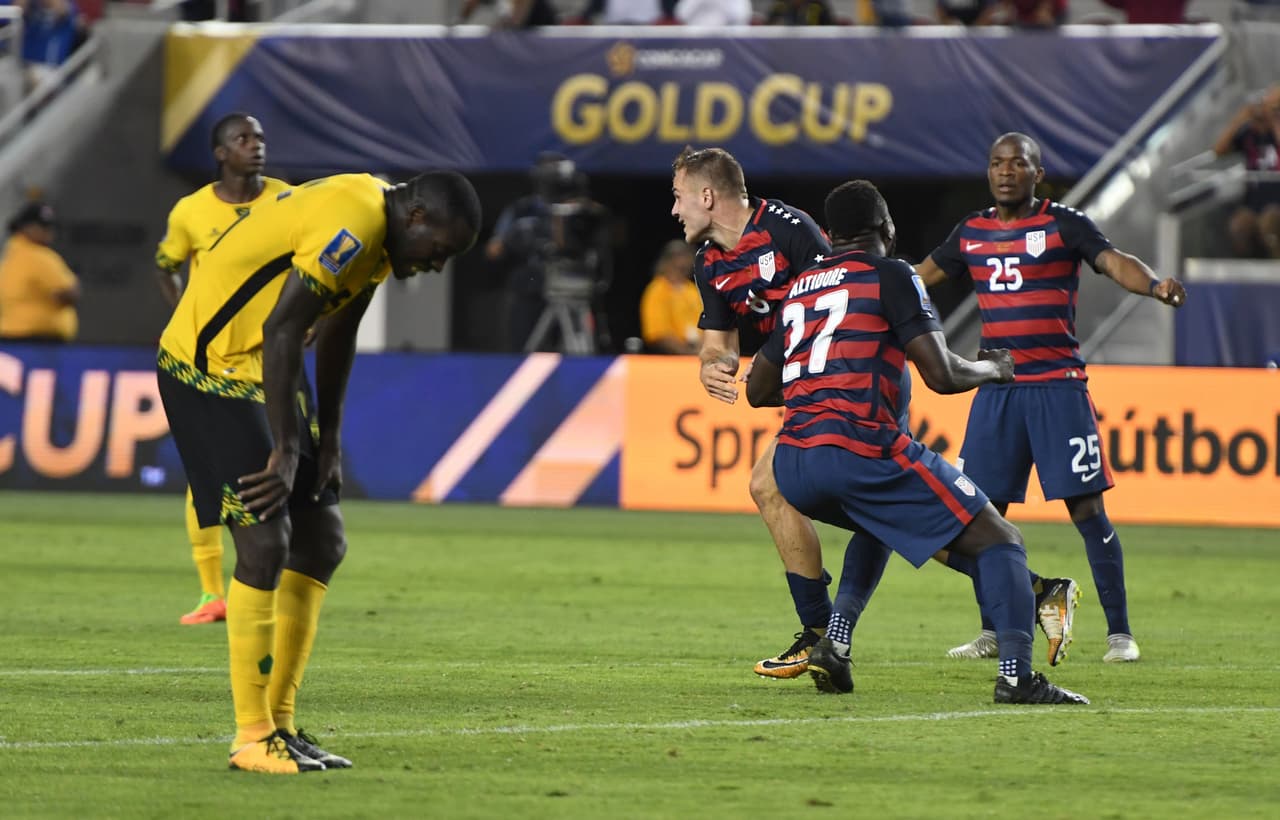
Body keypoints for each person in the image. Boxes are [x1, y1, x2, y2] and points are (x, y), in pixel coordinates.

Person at [156, 169, 480, 774]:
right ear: (417, 217)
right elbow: (283, 330)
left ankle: (280, 724)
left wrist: (326, 439)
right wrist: (284, 452)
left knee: (323, 541)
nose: (437, 266)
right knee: (264, 540)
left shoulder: (379, 233)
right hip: (210, 368)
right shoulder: (354, 222)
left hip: (260, 373)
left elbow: (336, 332)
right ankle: (251, 737)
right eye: (439, 251)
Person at [746, 179, 1088, 705]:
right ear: (887, 228)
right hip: (860, 450)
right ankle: (1018, 675)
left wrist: (822, 387)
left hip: (792, 464)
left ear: (831, 234)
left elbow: (758, 389)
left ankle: (835, 642)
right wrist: (992, 369)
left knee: (879, 522)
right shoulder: (893, 274)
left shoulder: (802, 286)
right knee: (1002, 541)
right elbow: (942, 374)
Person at [915, 132, 1186, 663]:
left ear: (1038, 173)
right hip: (996, 386)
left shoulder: (1065, 224)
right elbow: (922, 277)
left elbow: (1114, 261)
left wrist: (1154, 286)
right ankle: (994, 630)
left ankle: (1120, 634)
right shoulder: (970, 232)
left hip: (1057, 387)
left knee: (1086, 508)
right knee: (981, 512)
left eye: (1018, 163)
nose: (1006, 171)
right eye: (997, 163)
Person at [672, 146, 843, 679]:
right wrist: (711, 365)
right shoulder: (708, 261)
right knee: (776, 488)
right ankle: (821, 638)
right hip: (806, 394)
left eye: (678, 197)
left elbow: (840, 296)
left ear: (707, 195)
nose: (674, 210)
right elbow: (717, 342)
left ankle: (821, 636)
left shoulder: (790, 229)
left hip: (849, 382)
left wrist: (769, 360)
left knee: (879, 506)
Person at [155, 112, 291, 626]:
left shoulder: (286, 199)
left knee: (275, 476)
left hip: (269, 362)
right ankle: (214, 593)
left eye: (260, 136)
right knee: (207, 476)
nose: (255, 145)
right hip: (208, 369)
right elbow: (165, 264)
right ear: (220, 153)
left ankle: (265, 582)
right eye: (243, 138)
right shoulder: (191, 212)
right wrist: (185, 316)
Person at [1212, 85, 1280, 259]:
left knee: (1270, 221)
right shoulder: (1249, 135)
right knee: (1240, 224)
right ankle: (1246, 270)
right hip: (1254, 204)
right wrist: (1240, 120)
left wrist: (1274, 120)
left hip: (1276, 205)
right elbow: (1218, 151)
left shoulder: (1275, 131)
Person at [0, 201, 78, 343]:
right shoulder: (39, 256)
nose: (48, 232)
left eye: (50, 227)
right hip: (38, 342)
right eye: (42, 226)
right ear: (25, 228)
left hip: (10, 338)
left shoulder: (11, 254)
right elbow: (69, 295)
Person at [639, 239, 701, 354]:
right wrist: (687, 353)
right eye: (684, 255)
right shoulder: (657, 290)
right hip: (669, 358)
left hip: (697, 355)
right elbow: (657, 333)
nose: (689, 261)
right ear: (671, 260)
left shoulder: (692, 290)